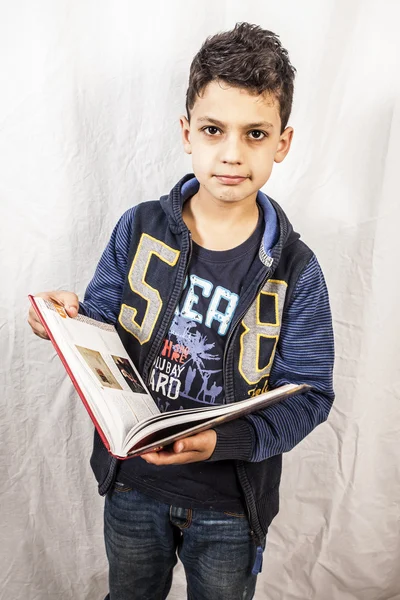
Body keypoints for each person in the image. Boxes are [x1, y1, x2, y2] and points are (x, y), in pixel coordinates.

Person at [28, 22, 335, 600]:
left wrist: (224, 443)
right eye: (214, 129)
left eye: (255, 134)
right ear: (186, 132)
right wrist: (61, 323)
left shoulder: (297, 268)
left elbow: (311, 395)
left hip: (229, 506)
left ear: (283, 143)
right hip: (133, 486)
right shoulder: (139, 227)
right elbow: (100, 332)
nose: (231, 154)